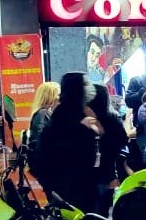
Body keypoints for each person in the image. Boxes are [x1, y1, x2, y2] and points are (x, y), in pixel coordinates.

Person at [35, 73, 101, 211]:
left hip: (79, 186)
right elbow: (61, 150)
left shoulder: (77, 113)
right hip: (71, 189)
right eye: (85, 84)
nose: (89, 88)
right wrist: (82, 127)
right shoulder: (65, 117)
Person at [87, 84, 128, 215]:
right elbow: (123, 140)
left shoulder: (86, 119)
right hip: (108, 169)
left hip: (89, 170)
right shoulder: (112, 118)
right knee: (103, 209)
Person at [26, 81, 60, 165]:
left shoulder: (45, 114)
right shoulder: (42, 114)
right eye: (59, 94)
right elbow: (39, 140)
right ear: (51, 97)